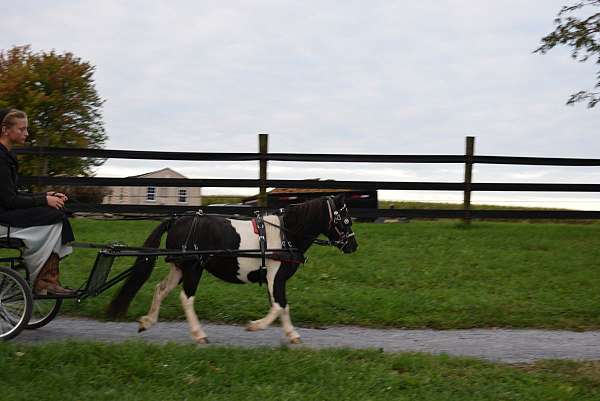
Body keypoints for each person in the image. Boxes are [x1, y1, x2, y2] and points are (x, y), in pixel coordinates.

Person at [0, 107, 75, 295]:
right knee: (55, 218)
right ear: (5, 129)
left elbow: (11, 194)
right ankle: (45, 280)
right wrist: (44, 200)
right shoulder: (0, 159)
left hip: (6, 213)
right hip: (2, 218)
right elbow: (9, 200)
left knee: (57, 214)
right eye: (22, 129)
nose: (26, 133)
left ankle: (46, 279)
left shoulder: (6, 155)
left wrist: (45, 197)